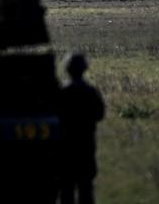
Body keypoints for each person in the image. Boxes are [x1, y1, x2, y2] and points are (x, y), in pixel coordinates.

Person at [58, 53, 105, 204]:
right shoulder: (91, 91)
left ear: (67, 70)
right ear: (84, 69)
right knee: (86, 189)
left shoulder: (62, 92)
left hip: (66, 147)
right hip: (86, 145)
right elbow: (99, 114)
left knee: (66, 189)